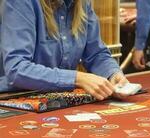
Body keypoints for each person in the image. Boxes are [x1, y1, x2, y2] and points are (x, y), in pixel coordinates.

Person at [0, 0, 129, 101]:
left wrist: (113, 74)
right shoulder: (20, 2)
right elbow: (17, 69)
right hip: (14, 98)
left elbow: (96, 54)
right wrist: (77, 78)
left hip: (58, 100)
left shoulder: (83, 4)